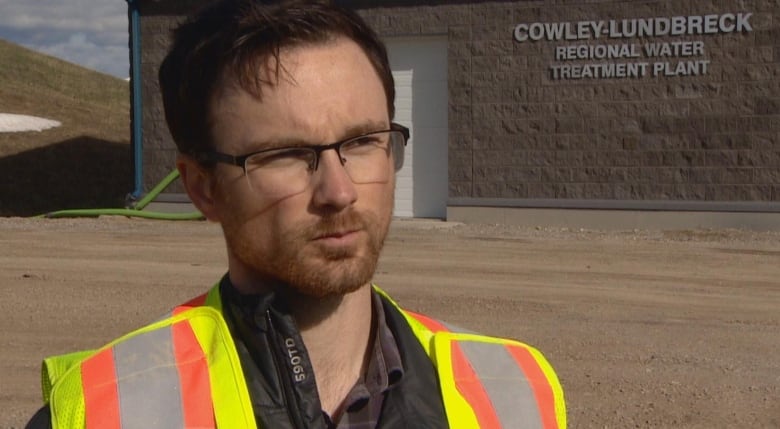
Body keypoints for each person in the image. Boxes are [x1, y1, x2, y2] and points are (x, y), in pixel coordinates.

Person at [27, 0, 566, 427]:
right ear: (202, 187)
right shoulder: (103, 409)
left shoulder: (513, 389)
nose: (339, 190)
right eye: (285, 154)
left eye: (361, 142)